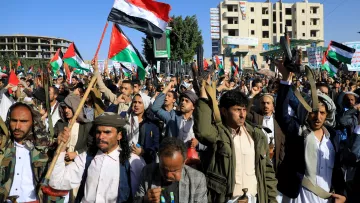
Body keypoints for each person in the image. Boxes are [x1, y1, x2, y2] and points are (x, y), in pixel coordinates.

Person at [275, 60, 346, 203]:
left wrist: (342, 194)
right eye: (313, 112)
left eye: (321, 113)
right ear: (306, 113)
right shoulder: (298, 131)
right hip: (299, 197)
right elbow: (282, 115)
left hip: (324, 198)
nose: (317, 117)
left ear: (327, 115)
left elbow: (337, 170)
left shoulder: (332, 137)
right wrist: (285, 79)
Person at [194, 84, 278, 203]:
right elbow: (203, 132)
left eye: (244, 109)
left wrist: (272, 199)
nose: (242, 114)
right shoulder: (219, 134)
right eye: (237, 110)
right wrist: (203, 96)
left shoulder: (256, 135)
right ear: (224, 111)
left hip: (254, 198)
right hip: (228, 199)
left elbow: (267, 171)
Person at [49, 112, 132, 202]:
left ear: (119, 135)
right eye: (98, 132)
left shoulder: (131, 162)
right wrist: (61, 149)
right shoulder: (86, 158)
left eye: (107, 132)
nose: (101, 137)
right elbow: (57, 183)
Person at [0, 103, 63, 202]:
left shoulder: (45, 150)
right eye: (14, 120)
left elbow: (57, 183)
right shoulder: (3, 148)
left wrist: (60, 148)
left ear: (33, 122)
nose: (17, 126)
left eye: (23, 121)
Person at [134, 137, 207, 203]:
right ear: (159, 158)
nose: (168, 175)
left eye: (174, 170)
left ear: (184, 162)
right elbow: (136, 199)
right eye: (163, 169)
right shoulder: (147, 172)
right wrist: (145, 200)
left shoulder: (197, 179)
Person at [247, 88, 285, 175]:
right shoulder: (255, 117)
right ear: (259, 105)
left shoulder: (279, 120)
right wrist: (252, 96)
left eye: (268, 103)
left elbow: (282, 141)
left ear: (273, 106)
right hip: (259, 158)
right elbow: (245, 113)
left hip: (274, 159)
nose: (266, 105)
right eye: (263, 103)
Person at [152, 81, 199, 148]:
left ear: (193, 106)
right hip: (174, 156)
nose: (183, 102)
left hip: (191, 156)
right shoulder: (172, 116)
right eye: (182, 100)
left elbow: (206, 142)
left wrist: (197, 143)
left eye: (187, 101)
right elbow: (155, 108)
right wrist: (167, 88)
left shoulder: (198, 121)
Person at [54, 94, 93, 161]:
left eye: (69, 108)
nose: (66, 110)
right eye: (64, 108)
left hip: (78, 163)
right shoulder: (60, 123)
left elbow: (91, 146)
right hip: (60, 161)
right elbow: (52, 139)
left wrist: (77, 153)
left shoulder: (87, 125)